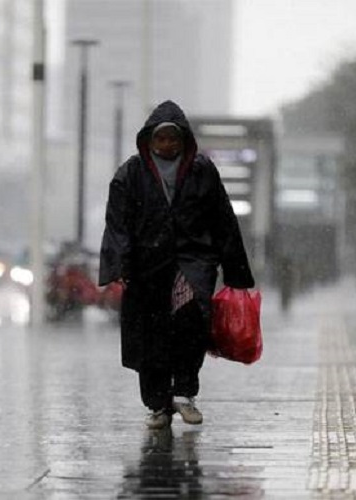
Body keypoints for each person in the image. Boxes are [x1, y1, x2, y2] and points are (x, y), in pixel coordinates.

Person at [99, 100, 255, 429]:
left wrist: (235, 269)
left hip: (193, 260)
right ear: (149, 141)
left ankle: (184, 391)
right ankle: (157, 403)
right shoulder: (130, 174)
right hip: (146, 266)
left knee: (191, 321)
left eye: (173, 138)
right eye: (161, 139)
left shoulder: (202, 170)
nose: (167, 145)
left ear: (184, 139)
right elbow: (117, 223)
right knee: (150, 333)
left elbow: (222, 218)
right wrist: (121, 263)